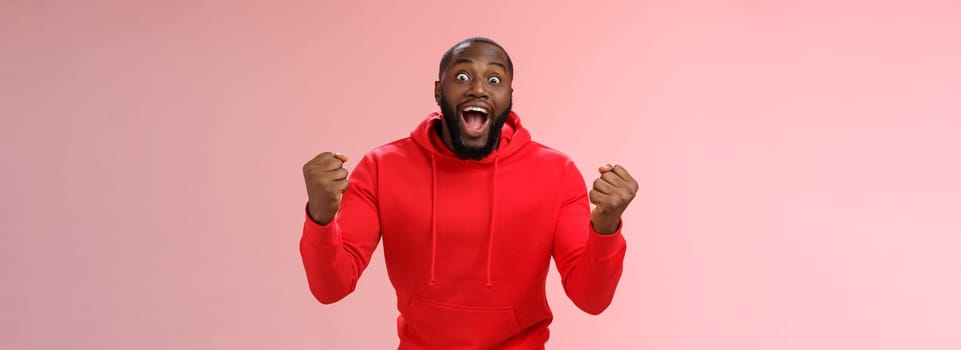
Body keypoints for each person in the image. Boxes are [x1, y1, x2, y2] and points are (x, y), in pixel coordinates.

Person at [300, 37, 638, 349]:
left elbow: (591, 299)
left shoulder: (557, 172)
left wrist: (605, 227)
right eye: (462, 77)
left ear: (509, 96)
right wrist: (321, 217)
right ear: (438, 90)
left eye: (494, 80)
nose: (478, 88)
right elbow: (331, 289)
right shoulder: (381, 167)